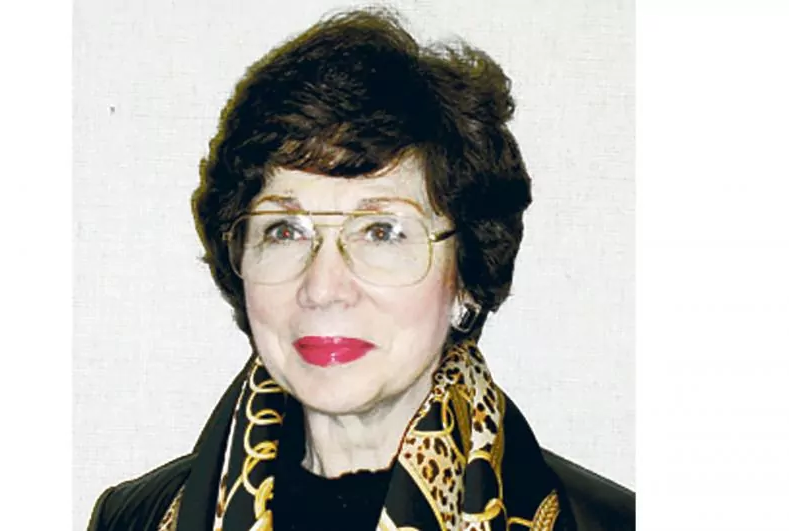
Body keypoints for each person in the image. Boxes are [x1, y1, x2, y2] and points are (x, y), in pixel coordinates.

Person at [87, 8, 634, 531]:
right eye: (285, 230)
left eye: (381, 232)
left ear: (466, 277)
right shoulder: (132, 520)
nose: (323, 288)